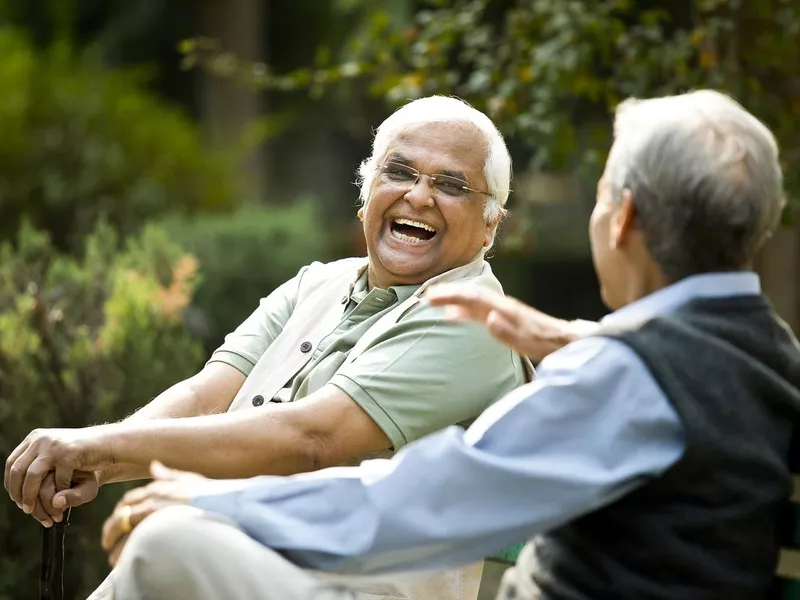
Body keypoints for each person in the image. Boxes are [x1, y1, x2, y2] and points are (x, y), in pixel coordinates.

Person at [90, 89, 800, 600]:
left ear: (624, 219)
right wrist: (585, 340)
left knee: (168, 544)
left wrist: (217, 503)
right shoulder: (770, 355)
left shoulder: (630, 378)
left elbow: (428, 500)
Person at [3, 96, 555, 600]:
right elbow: (206, 396)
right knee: (163, 543)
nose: (419, 195)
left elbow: (314, 438)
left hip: (369, 585)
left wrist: (100, 450)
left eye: (451, 184)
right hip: (258, 560)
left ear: (490, 227)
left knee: (168, 542)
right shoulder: (315, 284)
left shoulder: (472, 319)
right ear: (365, 198)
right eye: (400, 172)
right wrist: (100, 460)